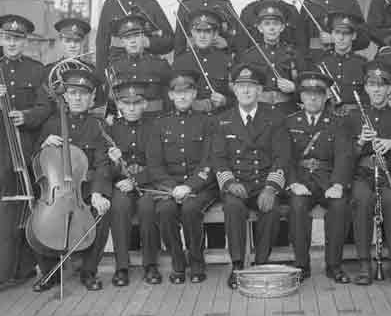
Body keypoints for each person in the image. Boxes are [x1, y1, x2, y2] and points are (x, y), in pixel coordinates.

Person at [31, 68, 112, 292]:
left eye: (83, 94)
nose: (77, 98)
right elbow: (36, 162)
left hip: (83, 190)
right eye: (73, 93)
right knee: (35, 214)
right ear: (65, 96)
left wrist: (97, 193)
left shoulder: (98, 125)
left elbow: (103, 163)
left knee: (103, 212)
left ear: (92, 98)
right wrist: (42, 146)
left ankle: (88, 271)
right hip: (55, 191)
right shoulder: (51, 124)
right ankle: (50, 273)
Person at [211, 63, 291, 289]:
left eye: (251, 86)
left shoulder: (275, 117)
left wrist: (271, 188)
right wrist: (229, 182)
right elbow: (218, 158)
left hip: (263, 182)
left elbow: (282, 156)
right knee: (233, 208)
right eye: (241, 86)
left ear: (260, 91)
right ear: (234, 90)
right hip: (237, 183)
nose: (246, 91)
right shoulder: (222, 120)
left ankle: (260, 264)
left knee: (271, 208)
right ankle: (237, 266)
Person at [147, 70, 219, 284]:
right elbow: (155, 165)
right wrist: (172, 188)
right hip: (169, 187)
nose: (182, 97)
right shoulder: (159, 124)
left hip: (201, 186)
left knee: (190, 209)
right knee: (165, 210)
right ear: (170, 96)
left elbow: (210, 161)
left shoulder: (208, 122)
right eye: (178, 93)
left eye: (187, 92)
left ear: (194, 94)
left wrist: (189, 186)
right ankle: (178, 262)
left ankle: (196, 262)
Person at [285, 71, 353, 283]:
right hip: (301, 180)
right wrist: (293, 183)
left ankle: (334, 265)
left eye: (318, 94)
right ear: (301, 97)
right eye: (307, 94)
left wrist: (339, 184)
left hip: (328, 179)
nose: (312, 98)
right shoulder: (289, 122)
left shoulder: (338, 122)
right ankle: (301, 266)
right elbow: (284, 157)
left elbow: (344, 155)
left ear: (325, 97)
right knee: (296, 206)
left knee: (340, 206)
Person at [351, 60, 391, 285]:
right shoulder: (354, 116)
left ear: (390, 88)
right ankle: (364, 263)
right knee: (363, 201)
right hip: (363, 174)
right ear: (366, 88)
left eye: (382, 85)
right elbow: (345, 154)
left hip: (389, 173)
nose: (377, 89)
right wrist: (360, 142)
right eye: (372, 84)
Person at [104, 73, 161, 286]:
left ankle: (151, 264)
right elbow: (104, 167)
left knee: (148, 208)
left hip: (148, 183)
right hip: (121, 183)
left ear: (144, 104)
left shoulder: (155, 127)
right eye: (126, 104)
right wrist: (113, 163)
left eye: (136, 103)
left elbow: (157, 164)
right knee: (119, 207)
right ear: (119, 104)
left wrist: (136, 180)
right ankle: (122, 267)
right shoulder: (111, 129)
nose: (131, 108)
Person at [0, 14, 49, 159]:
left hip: (28, 142)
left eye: (17, 39)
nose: (12, 44)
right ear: (1, 41)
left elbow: (46, 107)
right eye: (8, 39)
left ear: (25, 42)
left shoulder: (37, 69)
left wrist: (26, 116)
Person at [95, 0, 174, 85]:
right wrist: (101, 80)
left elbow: (170, 40)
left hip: (147, 71)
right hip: (117, 70)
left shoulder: (151, 5)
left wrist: (148, 42)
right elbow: (102, 44)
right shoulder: (111, 4)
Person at [235, 0, 301, 116]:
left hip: (286, 110)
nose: (271, 28)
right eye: (267, 24)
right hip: (258, 110)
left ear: (282, 27)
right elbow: (240, 86)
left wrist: (294, 87)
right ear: (260, 28)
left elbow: (306, 84)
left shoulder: (294, 54)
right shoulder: (249, 55)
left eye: (275, 24)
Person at [107, 13, 171, 117]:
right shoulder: (115, 67)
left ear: (143, 38)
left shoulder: (160, 65)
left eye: (136, 36)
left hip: (154, 123)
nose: (132, 41)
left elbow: (170, 101)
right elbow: (111, 103)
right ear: (122, 42)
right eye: (127, 37)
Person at [173, 7, 233, 114]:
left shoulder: (227, 61)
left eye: (207, 31)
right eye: (198, 31)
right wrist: (191, 103)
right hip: (191, 121)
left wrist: (225, 101)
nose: (202, 36)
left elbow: (238, 97)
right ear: (192, 33)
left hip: (220, 119)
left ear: (215, 34)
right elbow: (172, 97)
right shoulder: (180, 62)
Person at [312, 11, 369, 113]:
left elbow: (368, 98)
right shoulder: (321, 62)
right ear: (332, 35)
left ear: (354, 36)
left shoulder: (363, 64)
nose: (341, 38)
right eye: (337, 33)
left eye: (346, 33)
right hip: (327, 116)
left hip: (354, 118)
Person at [41, 17, 93, 114]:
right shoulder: (49, 71)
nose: (72, 45)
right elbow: (43, 104)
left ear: (83, 42)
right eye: (68, 41)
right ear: (61, 41)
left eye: (77, 41)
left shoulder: (91, 70)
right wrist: (57, 92)